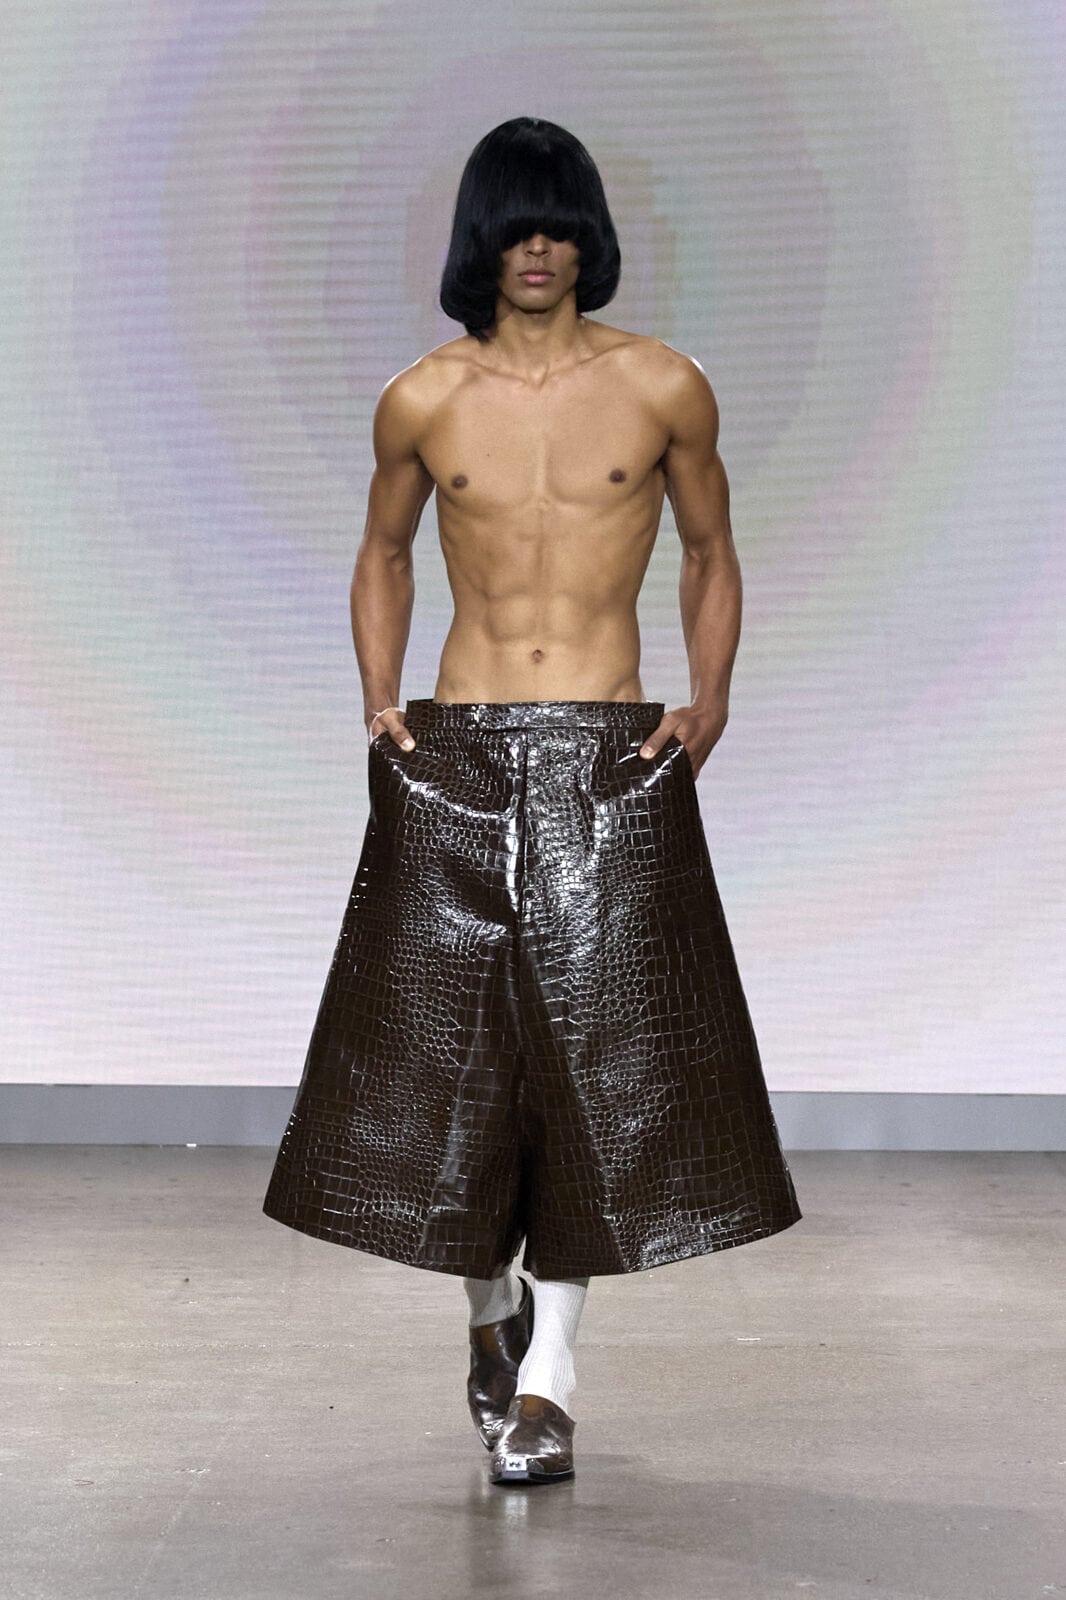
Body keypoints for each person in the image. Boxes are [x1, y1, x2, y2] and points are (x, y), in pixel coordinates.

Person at [262, 115, 802, 1487]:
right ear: (483, 244)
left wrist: (709, 700)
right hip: (455, 747)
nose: (539, 249)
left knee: (594, 1067)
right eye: (517, 228)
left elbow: (710, 549)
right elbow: (383, 551)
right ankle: (488, 1309)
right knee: (454, 1065)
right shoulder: (424, 397)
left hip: (609, 747)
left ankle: (550, 1381)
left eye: (558, 225)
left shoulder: (661, 384)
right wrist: (379, 705)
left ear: (588, 238)